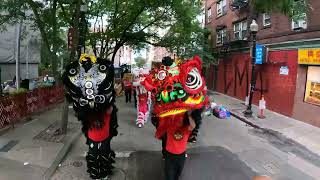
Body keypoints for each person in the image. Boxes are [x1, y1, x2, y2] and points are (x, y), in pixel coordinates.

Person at [156, 111, 196, 180]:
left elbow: (193, 126)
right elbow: (162, 121)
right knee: (169, 175)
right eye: (177, 118)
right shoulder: (169, 127)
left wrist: (189, 115)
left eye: (181, 118)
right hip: (169, 155)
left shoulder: (186, 128)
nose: (179, 120)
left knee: (178, 174)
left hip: (181, 156)